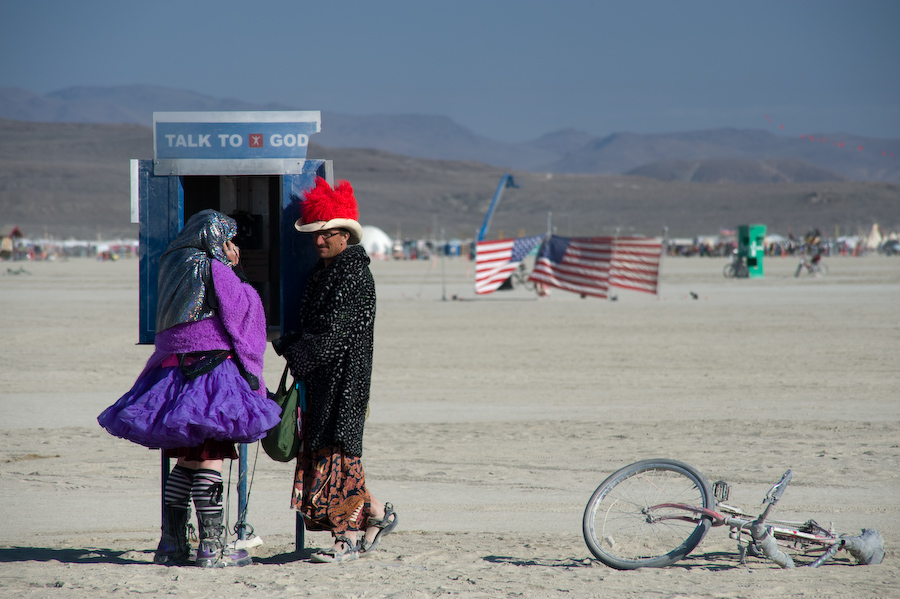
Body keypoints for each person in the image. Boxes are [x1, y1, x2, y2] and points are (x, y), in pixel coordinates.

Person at [98, 210, 281, 568]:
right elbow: (243, 311)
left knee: (185, 460)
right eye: (228, 238)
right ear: (216, 238)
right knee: (210, 454)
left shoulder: (172, 262)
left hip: (172, 374)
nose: (231, 246)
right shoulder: (214, 268)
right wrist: (236, 270)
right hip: (212, 375)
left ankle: (171, 545)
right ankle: (212, 548)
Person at [276, 177, 398, 563]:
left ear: (345, 235)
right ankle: (377, 514)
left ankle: (344, 540)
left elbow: (333, 337)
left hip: (344, 383)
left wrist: (291, 347)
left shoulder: (354, 275)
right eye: (316, 233)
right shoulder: (324, 272)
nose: (319, 240)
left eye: (327, 233)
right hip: (322, 381)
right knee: (334, 456)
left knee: (340, 458)